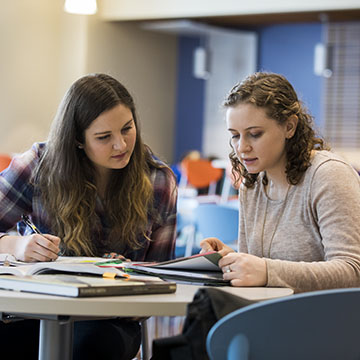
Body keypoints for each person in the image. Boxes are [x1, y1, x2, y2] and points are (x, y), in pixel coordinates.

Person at [0, 73, 177, 359]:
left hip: (111, 321)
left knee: (89, 346)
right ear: (78, 140)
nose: (121, 145)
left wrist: (133, 277)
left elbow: (162, 275)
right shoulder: (37, 167)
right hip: (35, 311)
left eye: (127, 129)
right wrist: (17, 247)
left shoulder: (157, 180)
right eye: (104, 137)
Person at [200, 72, 360, 294]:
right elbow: (261, 275)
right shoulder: (252, 184)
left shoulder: (328, 174)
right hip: (269, 316)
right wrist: (232, 260)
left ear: (290, 127)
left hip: (322, 322)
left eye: (254, 134)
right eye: (235, 135)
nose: (242, 147)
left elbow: (353, 272)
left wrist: (266, 270)